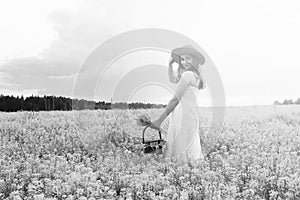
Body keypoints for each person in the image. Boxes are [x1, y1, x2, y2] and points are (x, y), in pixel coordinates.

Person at [148, 45, 206, 165]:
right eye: (183, 59)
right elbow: (173, 80)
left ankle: (180, 170)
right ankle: (188, 171)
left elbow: (175, 100)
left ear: (195, 60)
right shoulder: (196, 76)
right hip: (191, 114)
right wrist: (170, 66)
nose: (185, 62)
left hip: (183, 115)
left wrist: (159, 120)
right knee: (187, 144)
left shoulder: (187, 75)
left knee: (180, 144)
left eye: (188, 58)